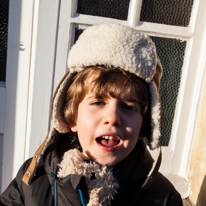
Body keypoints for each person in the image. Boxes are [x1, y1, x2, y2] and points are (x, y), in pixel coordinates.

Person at [0, 24, 183, 206]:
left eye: (127, 107)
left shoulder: (164, 199)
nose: (112, 118)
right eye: (97, 102)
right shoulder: (32, 179)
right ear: (72, 117)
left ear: (144, 126)